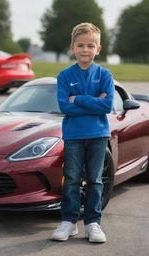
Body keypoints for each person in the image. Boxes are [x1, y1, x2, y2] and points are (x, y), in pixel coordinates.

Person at [51, 22, 114, 243]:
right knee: (71, 179)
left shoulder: (105, 74)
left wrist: (78, 98)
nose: (85, 50)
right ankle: (69, 221)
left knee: (95, 180)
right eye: (80, 45)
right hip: (74, 136)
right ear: (72, 48)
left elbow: (107, 107)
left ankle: (92, 223)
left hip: (98, 135)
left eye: (90, 45)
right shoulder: (64, 76)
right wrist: (95, 101)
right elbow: (64, 107)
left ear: (98, 48)